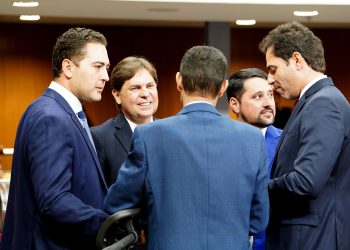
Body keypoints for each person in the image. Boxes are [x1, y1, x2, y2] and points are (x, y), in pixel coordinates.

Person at [103, 45, 269, 249]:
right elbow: (258, 220)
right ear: (223, 87)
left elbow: (116, 203)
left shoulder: (149, 135)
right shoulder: (253, 138)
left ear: (179, 81)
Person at [0, 27, 110, 250]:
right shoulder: (51, 116)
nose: (106, 76)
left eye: (106, 68)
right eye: (97, 66)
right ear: (68, 67)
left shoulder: (57, 111)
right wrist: (108, 224)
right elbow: (54, 201)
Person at [259, 21, 350, 250]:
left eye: (273, 69)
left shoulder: (324, 103)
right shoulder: (314, 101)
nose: (269, 79)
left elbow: (305, 182)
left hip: (312, 240)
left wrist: (256, 186)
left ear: (297, 60)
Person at [227, 68, 282, 250]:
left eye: (270, 95)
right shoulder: (220, 144)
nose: (268, 103)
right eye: (258, 97)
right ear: (235, 104)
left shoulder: (288, 142)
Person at [91, 56, 159, 187]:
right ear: (117, 95)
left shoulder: (171, 133)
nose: (145, 93)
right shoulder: (99, 138)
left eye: (150, 86)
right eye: (135, 88)